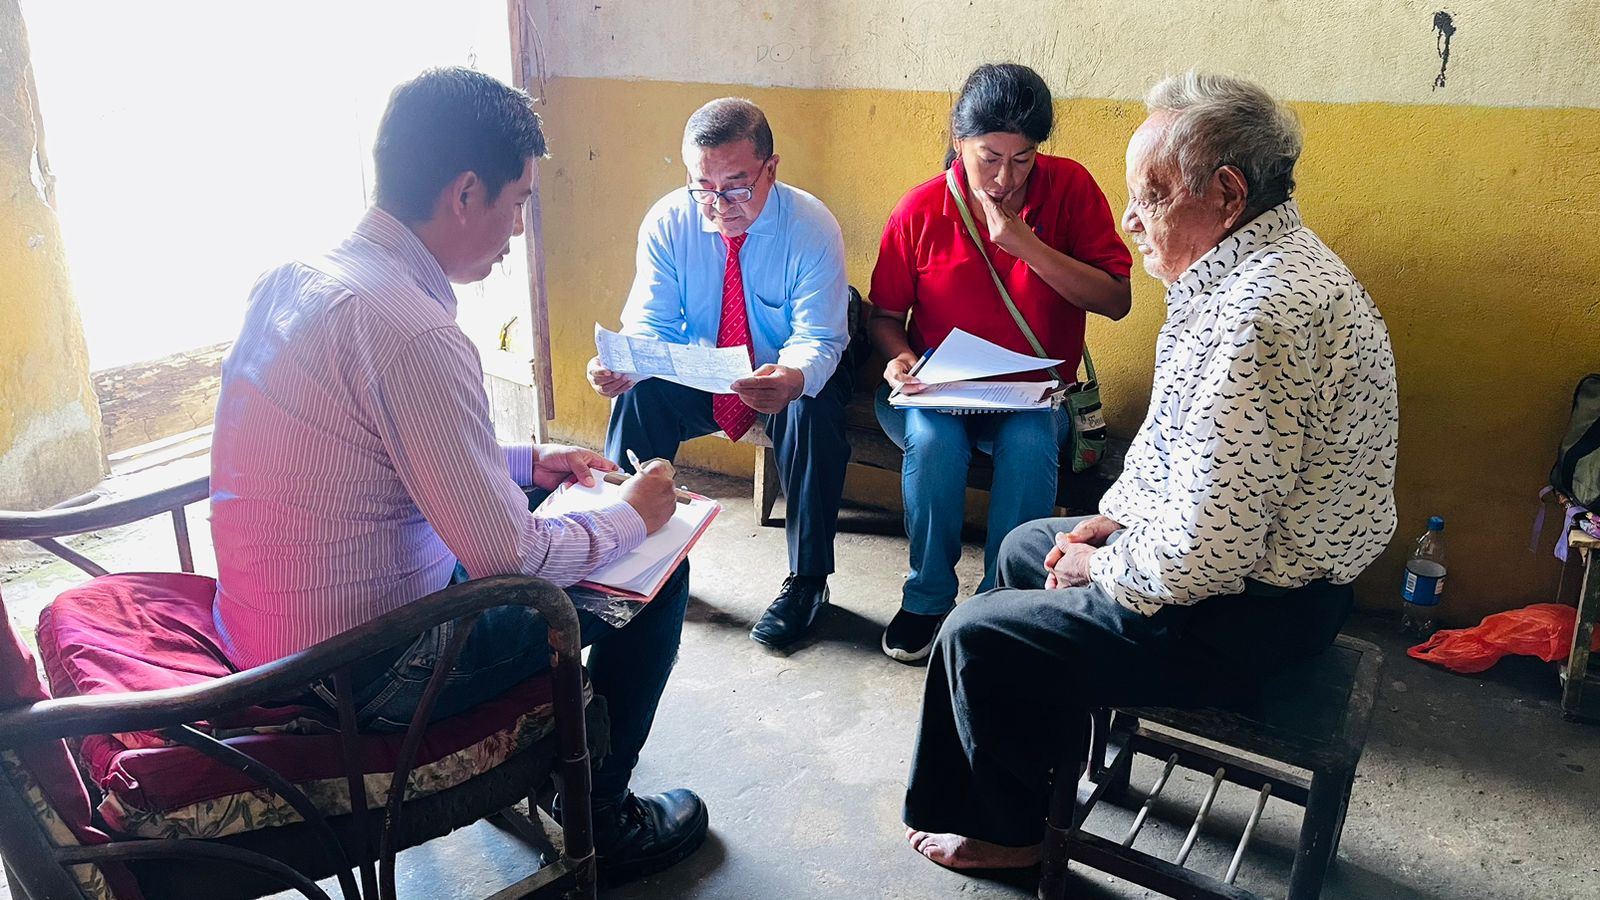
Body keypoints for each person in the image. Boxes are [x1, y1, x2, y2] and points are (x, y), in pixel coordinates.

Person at [210, 67, 707, 884]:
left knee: (551, 500)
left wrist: (527, 462)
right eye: (518, 201)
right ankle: (600, 813)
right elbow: (515, 558)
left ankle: (570, 761)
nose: (518, 228)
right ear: (466, 193)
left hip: (268, 637)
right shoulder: (413, 332)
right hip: (360, 677)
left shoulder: (300, 277)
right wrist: (636, 514)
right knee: (654, 570)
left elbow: (371, 450)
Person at [901, 72, 1400, 873]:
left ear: (1227, 193)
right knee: (1028, 547)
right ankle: (1038, 780)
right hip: (1242, 570)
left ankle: (1010, 833)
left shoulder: (1259, 316)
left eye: (1153, 196)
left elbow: (1207, 558)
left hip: (1256, 613)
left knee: (977, 634)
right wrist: (1115, 520)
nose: (1131, 219)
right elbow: (1173, 447)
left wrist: (1102, 565)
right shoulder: (1242, 268)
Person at [868, 63, 1132, 664]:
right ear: (958, 140)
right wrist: (901, 357)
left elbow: (1116, 300)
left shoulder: (1070, 188)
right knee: (933, 442)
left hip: (1032, 395)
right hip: (940, 393)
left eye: (1022, 159)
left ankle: (1001, 601)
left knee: (1031, 444)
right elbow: (883, 315)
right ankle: (927, 597)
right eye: (989, 158)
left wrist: (1027, 246)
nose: (1005, 178)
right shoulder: (921, 209)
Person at [586, 98, 851, 650]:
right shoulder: (669, 220)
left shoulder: (810, 226)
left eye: (735, 188)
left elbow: (819, 337)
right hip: (707, 371)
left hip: (781, 373)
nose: (718, 206)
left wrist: (792, 376)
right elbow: (652, 323)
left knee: (813, 407)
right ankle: (628, 554)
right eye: (702, 187)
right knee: (638, 396)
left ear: (770, 169)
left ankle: (808, 582)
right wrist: (624, 364)